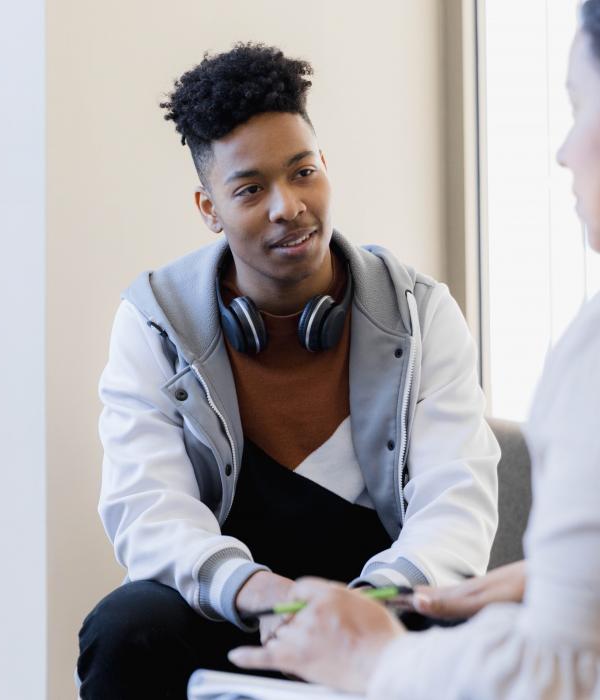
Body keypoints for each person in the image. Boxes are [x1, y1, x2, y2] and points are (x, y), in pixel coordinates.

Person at [229, 1, 600, 697]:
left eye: (578, 105)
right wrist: (555, 579)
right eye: (249, 188)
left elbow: (573, 672)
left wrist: (371, 659)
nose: (563, 149)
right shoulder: (154, 317)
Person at [76, 43, 500, 698]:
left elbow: (456, 496)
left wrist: (365, 606)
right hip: (232, 603)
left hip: (384, 602)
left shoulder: (421, 310)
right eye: (250, 189)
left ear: (324, 165)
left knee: (484, 630)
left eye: (302, 172)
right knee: (127, 627)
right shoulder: (152, 321)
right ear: (208, 208)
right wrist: (262, 593)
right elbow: (147, 510)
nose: (287, 206)